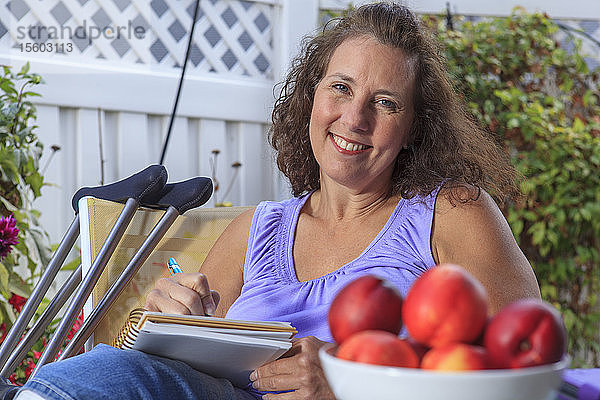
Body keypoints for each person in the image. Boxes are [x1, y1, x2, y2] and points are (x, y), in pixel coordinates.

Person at [16, 2, 540, 400]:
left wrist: (359, 380)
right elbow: (163, 366)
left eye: (385, 103)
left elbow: (527, 369)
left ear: (414, 129)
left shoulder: (451, 213)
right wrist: (163, 317)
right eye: (340, 88)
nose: (355, 119)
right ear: (311, 98)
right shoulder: (256, 230)